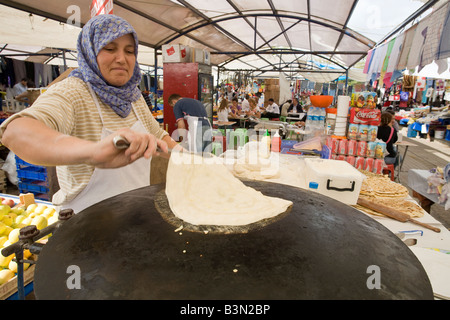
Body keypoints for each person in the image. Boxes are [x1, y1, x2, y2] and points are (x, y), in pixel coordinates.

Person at [0, 14, 177, 214]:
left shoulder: (133, 97)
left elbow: (160, 136)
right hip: (85, 222)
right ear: (90, 51)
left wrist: (196, 161)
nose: (121, 58)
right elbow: (15, 131)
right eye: (109, 49)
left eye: (129, 51)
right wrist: (94, 152)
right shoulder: (72, 92)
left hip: (135, 215)